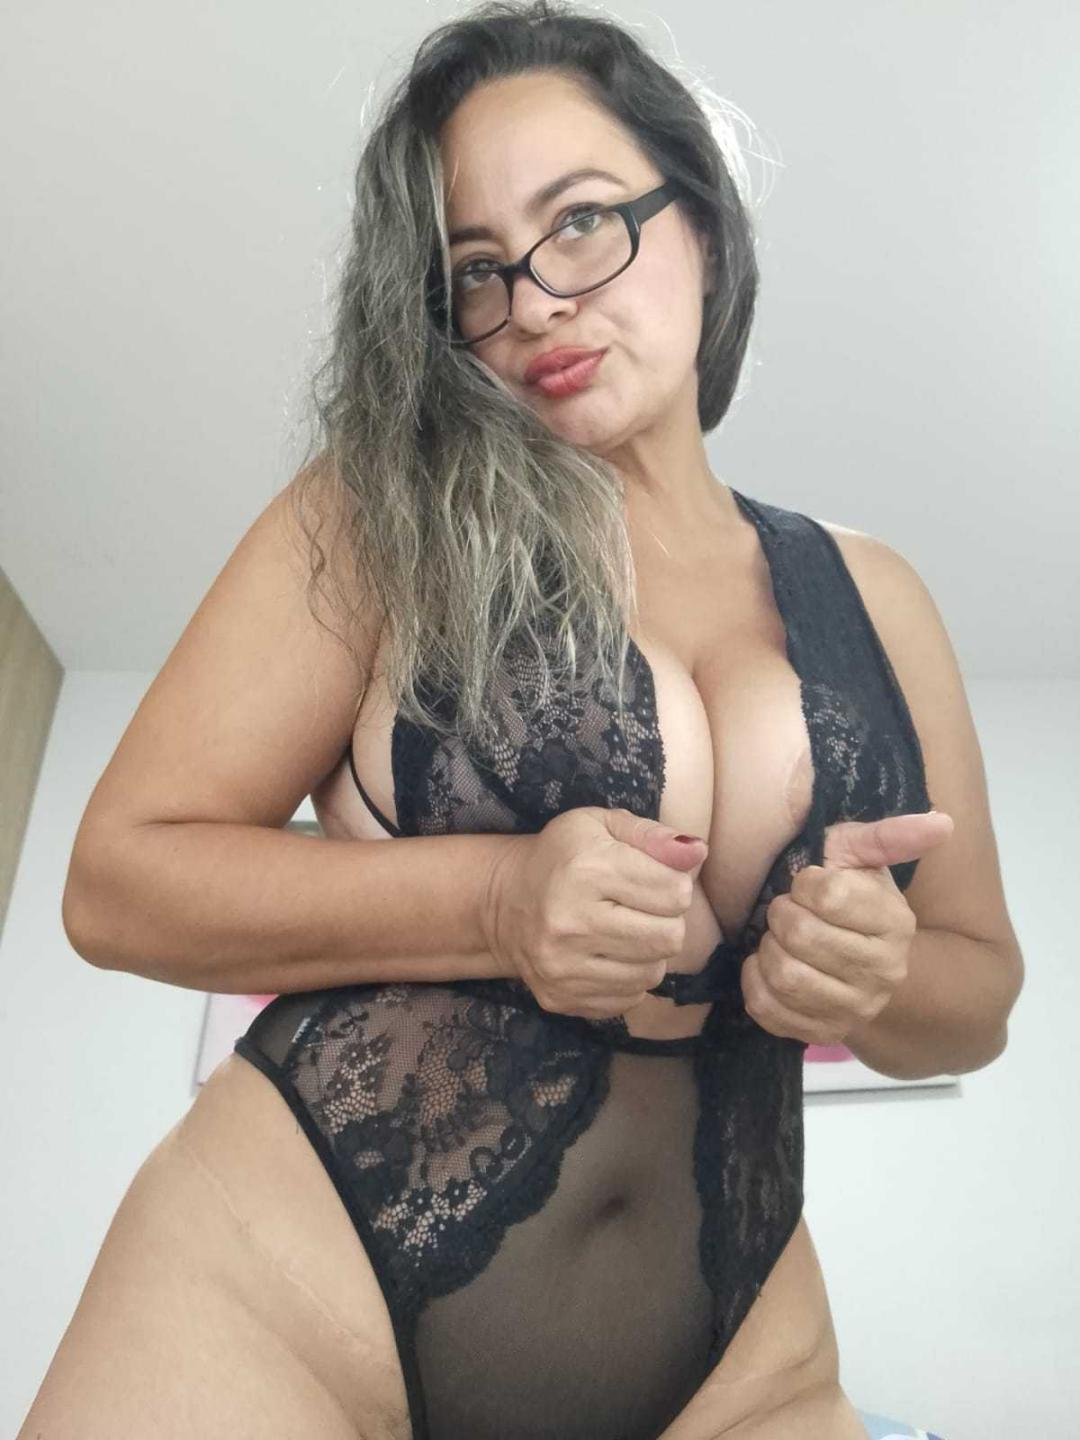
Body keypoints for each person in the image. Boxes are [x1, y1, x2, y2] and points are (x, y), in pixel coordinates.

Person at [23, 3, 1023, 1437]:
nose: (536, 303)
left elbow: (979, 995)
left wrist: (879, 977)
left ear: (702, 224)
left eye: (582, 222)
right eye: (476, 271)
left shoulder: (878, 596)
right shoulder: (380, 518)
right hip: (286, 1298)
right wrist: (498, 901)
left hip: (741, 1362)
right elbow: (117, 882)